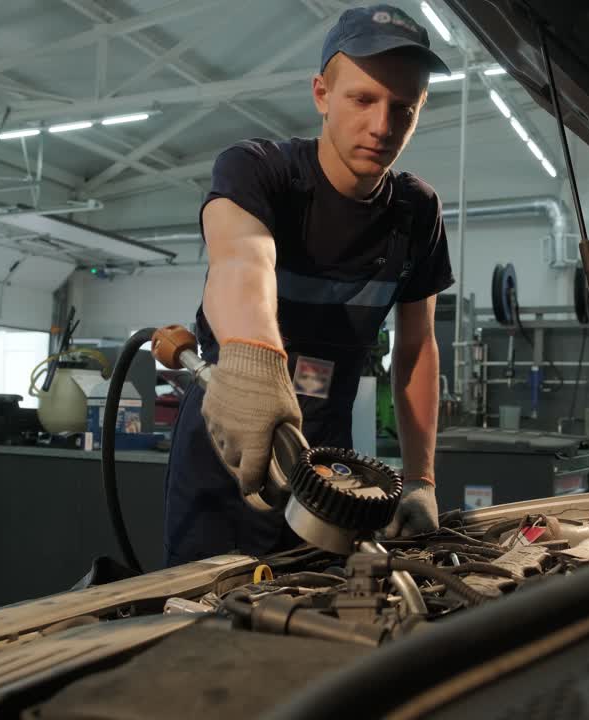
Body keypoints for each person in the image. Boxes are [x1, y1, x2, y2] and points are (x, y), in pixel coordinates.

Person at [164, 4, 454, 567]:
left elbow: (418, 349)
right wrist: (254, 360)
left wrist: (421, 480)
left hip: (328, 467)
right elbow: (239, 265)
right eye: (363, 100)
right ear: (322, 94)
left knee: (318, 617)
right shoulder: (260, 172)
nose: (382, 126)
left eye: (404, 108)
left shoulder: (416, 212)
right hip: (224, 451)